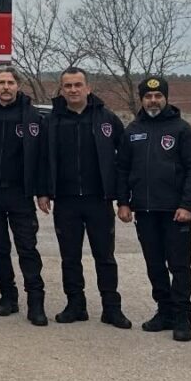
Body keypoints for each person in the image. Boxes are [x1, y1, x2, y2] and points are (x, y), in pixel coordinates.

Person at [36, 67, 131, 329]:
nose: (73, 90)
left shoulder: (107, 119)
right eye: (68, 86)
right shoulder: (51, 121)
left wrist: (123, 198)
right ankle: (75, 305)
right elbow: (42, 159)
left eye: (78, 85)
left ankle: (111, 308)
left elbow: (124, 160)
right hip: (66, 201)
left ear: (88, 88)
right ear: (61, 90)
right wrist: (43, 191)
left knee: (105, 257)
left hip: (99, 200)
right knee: (70, 258)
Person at [116, 75, 191, 343]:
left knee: (179, 265)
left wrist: (187, 205)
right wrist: (123, 202)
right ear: (142, 100)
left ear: (166, 98)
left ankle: (182, 316)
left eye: (158, 96)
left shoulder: (181, 129)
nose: (153, 101)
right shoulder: (132, 130)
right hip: (144, 211)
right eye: (148, 97)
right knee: (154, 264)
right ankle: (164, 311)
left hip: (175, 212)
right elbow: (122, 169)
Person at [0, 64, 48, 325]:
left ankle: (36, 302)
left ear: (18, 85)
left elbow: (42, 158)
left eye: (10, 83)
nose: (6, 87)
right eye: (1, 83)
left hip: (21, 193)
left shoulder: (32, 115)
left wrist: (42, 192)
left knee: (27, 248)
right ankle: (8, 296)